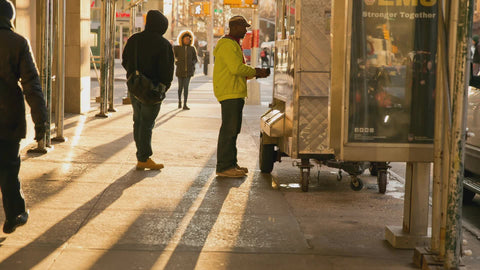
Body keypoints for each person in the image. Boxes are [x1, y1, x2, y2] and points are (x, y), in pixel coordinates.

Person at [0, 0, 47, 234]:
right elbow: (32, 85)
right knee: (8, 169)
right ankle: (14, 215)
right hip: (8, 118)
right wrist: (41, 121)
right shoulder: (17, 43)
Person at [213, 15, 270, 178]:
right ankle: (224, 166)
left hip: (234, 91)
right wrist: (256, 72)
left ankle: (231, 163)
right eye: (243, 27)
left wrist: (255, 73)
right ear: (235, 27)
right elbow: (236, 68)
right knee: (229, 129)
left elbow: (238, 69)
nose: (246, 31)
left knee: (233, 129)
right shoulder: (227, 45)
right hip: (229, 92)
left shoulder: (233, 44)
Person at [122, 10, 174, 170]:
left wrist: (134, 76)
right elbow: (167, 71)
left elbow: (125, 61)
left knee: (138, 121)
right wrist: (163, 87)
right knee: (147, 123)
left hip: (134, 87)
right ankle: (143, 157)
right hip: (153, 90)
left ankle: (141, 155)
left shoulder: (134, 39)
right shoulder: (164, 44)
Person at [173, 30, 198, 110]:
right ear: (182, 39)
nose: (188, 40)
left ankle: (185, 104)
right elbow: (173, 57)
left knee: (186, 87)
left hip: (189, 71)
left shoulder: (192, 48)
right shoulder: (177, 48)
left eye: (189, 39)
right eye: (186, 39)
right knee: (180, 87)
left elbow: (195, 59)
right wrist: (177, 62)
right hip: (180, 70)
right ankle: (179, 101)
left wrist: (192, 63)